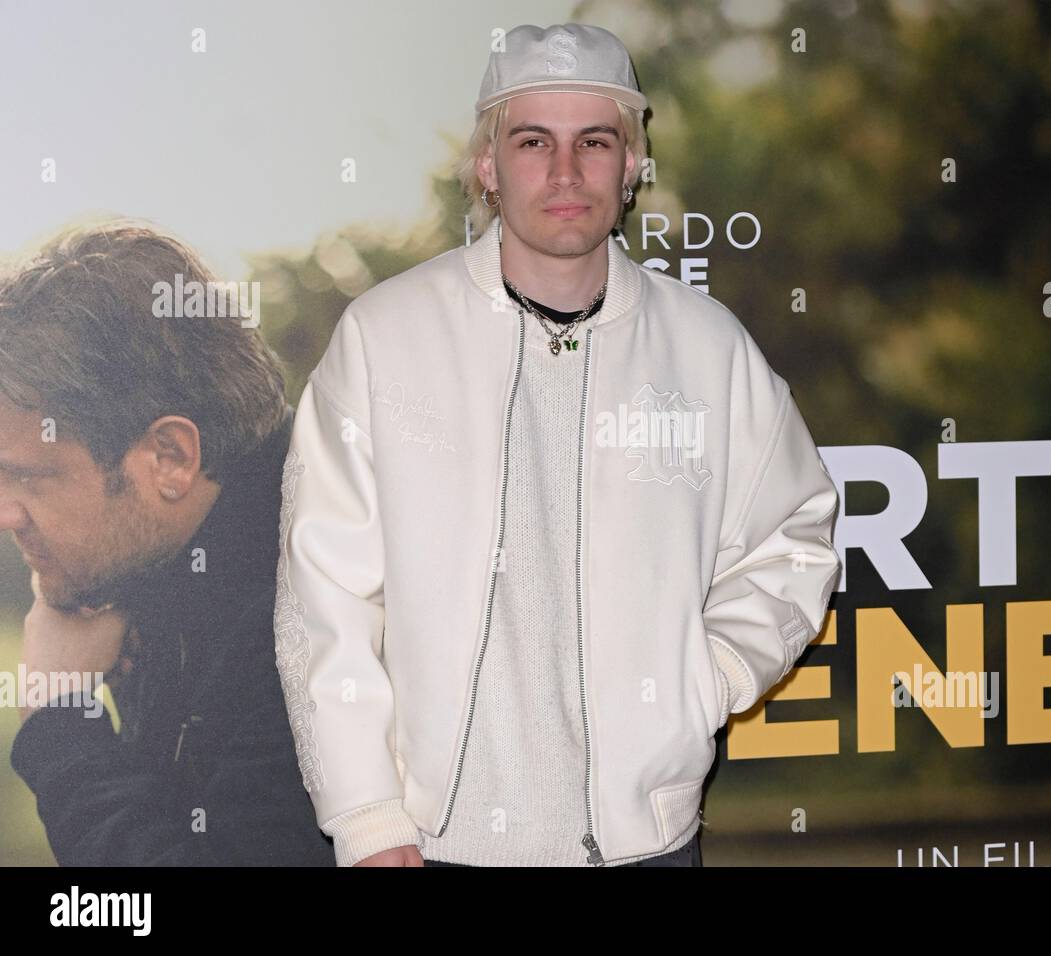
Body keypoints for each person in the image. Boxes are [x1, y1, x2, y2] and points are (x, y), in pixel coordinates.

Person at [274, 22, 841, 868]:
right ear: (488, 166)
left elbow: (795, 533)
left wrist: (704, 681)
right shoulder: (385, 337)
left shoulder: (707, 348)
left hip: (646, 844)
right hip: (433, 848)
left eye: (596, 141)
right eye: (533, 141)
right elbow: (323, 595)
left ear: (632, 165)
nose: (567, 171)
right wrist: (364, 815)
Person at [1, 221, 335, 865]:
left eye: (29, 477)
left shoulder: (330, 613)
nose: (5, 513)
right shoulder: (166, 564)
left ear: (170, 457)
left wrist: (62, 725)